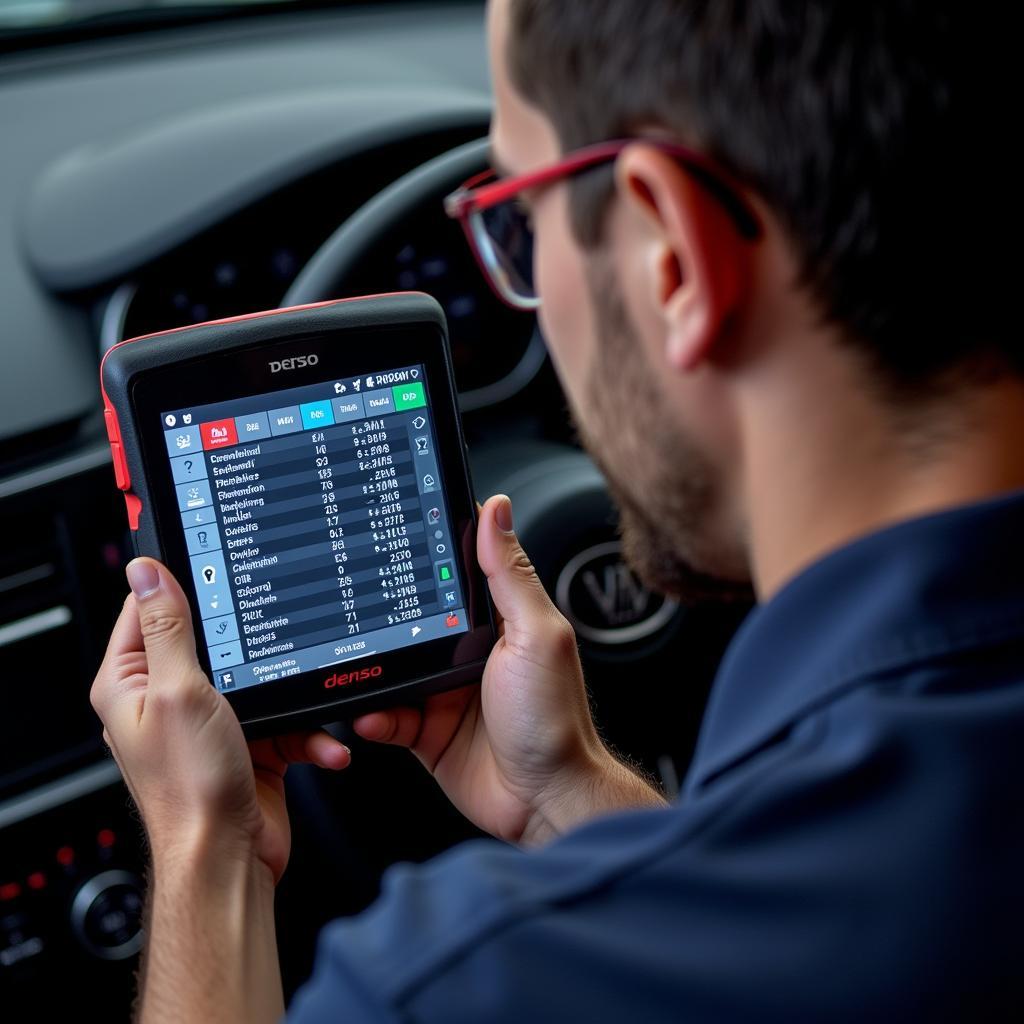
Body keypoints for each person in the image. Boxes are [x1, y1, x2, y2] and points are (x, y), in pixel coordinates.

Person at [89, 1, 1021, 1021]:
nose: (524, 277)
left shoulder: (471, 983)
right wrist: (569, 793)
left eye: (520, 220)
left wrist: (201, 848)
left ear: (671, 253)